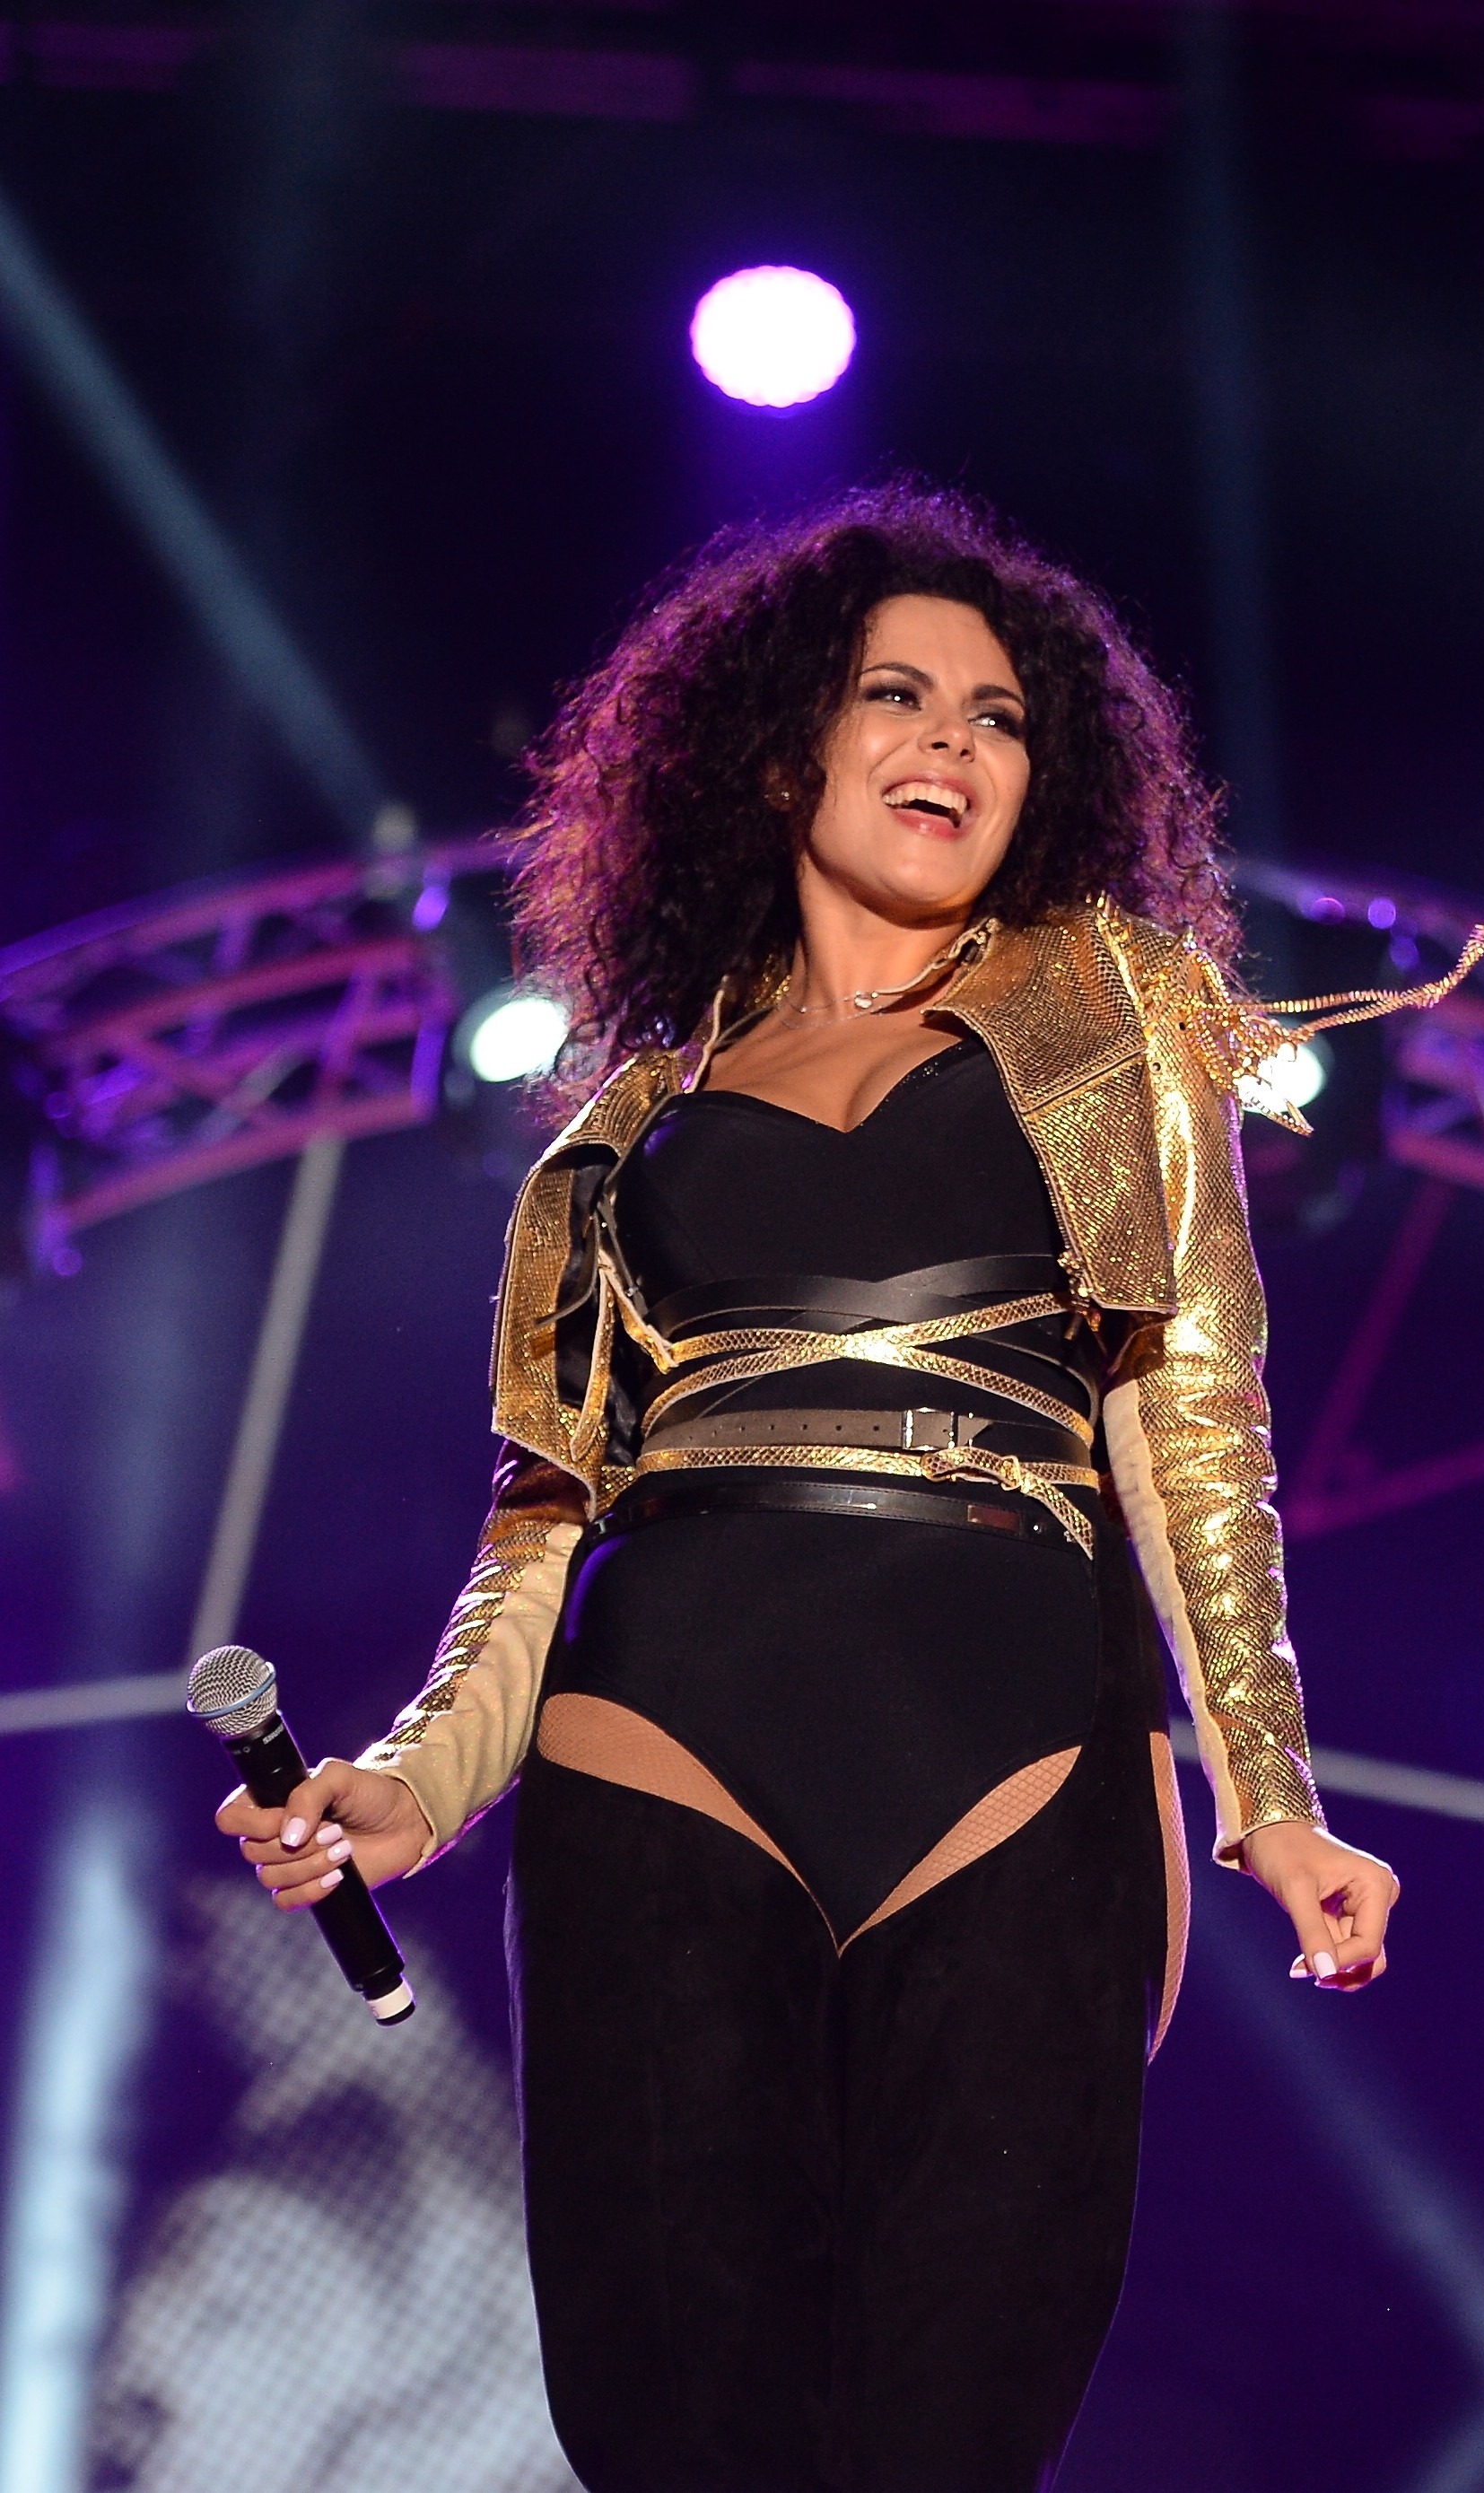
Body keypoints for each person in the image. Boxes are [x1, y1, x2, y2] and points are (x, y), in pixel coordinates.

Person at [211, 485, 1407, 2492]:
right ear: (782, 751)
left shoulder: (1113, 1010)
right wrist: (414, 1785)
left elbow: (1194, 1414)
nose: (952, 741)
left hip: (1010, 1746)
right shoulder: (618, 1129)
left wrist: (1269, 1796)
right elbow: (543, 1520)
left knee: (954, 2425)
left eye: (998, 714)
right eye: (894, 696)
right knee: (674, 2430)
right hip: (661, 1738)